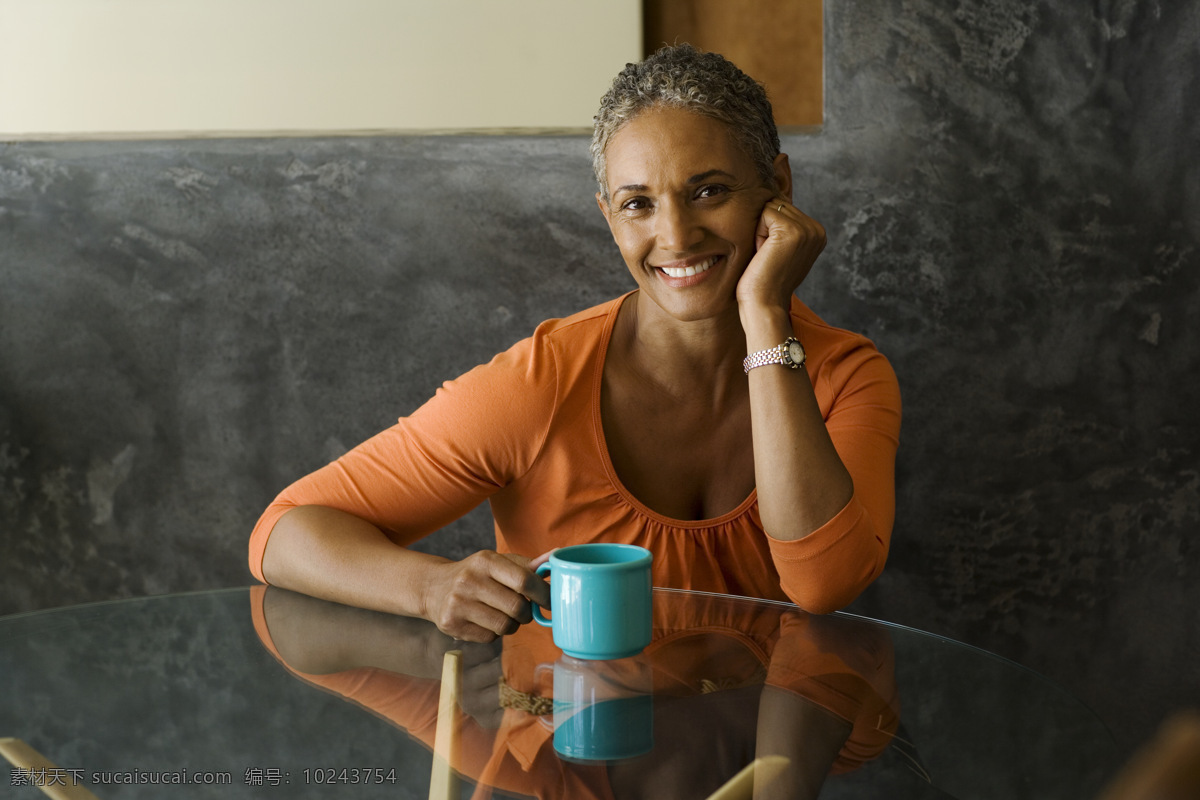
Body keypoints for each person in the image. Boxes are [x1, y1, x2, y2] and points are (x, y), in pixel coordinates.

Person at [248, 44, 901, 643]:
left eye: (709, 192)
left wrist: (764, 314)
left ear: (779, 188)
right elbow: (282, 533)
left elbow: (823, 585)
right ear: (607, 218)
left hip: (761, 753)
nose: (674, 236)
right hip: (570, 748)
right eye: (638, 204)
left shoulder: (847, 377)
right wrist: (430, 586)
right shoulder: (538, 385)